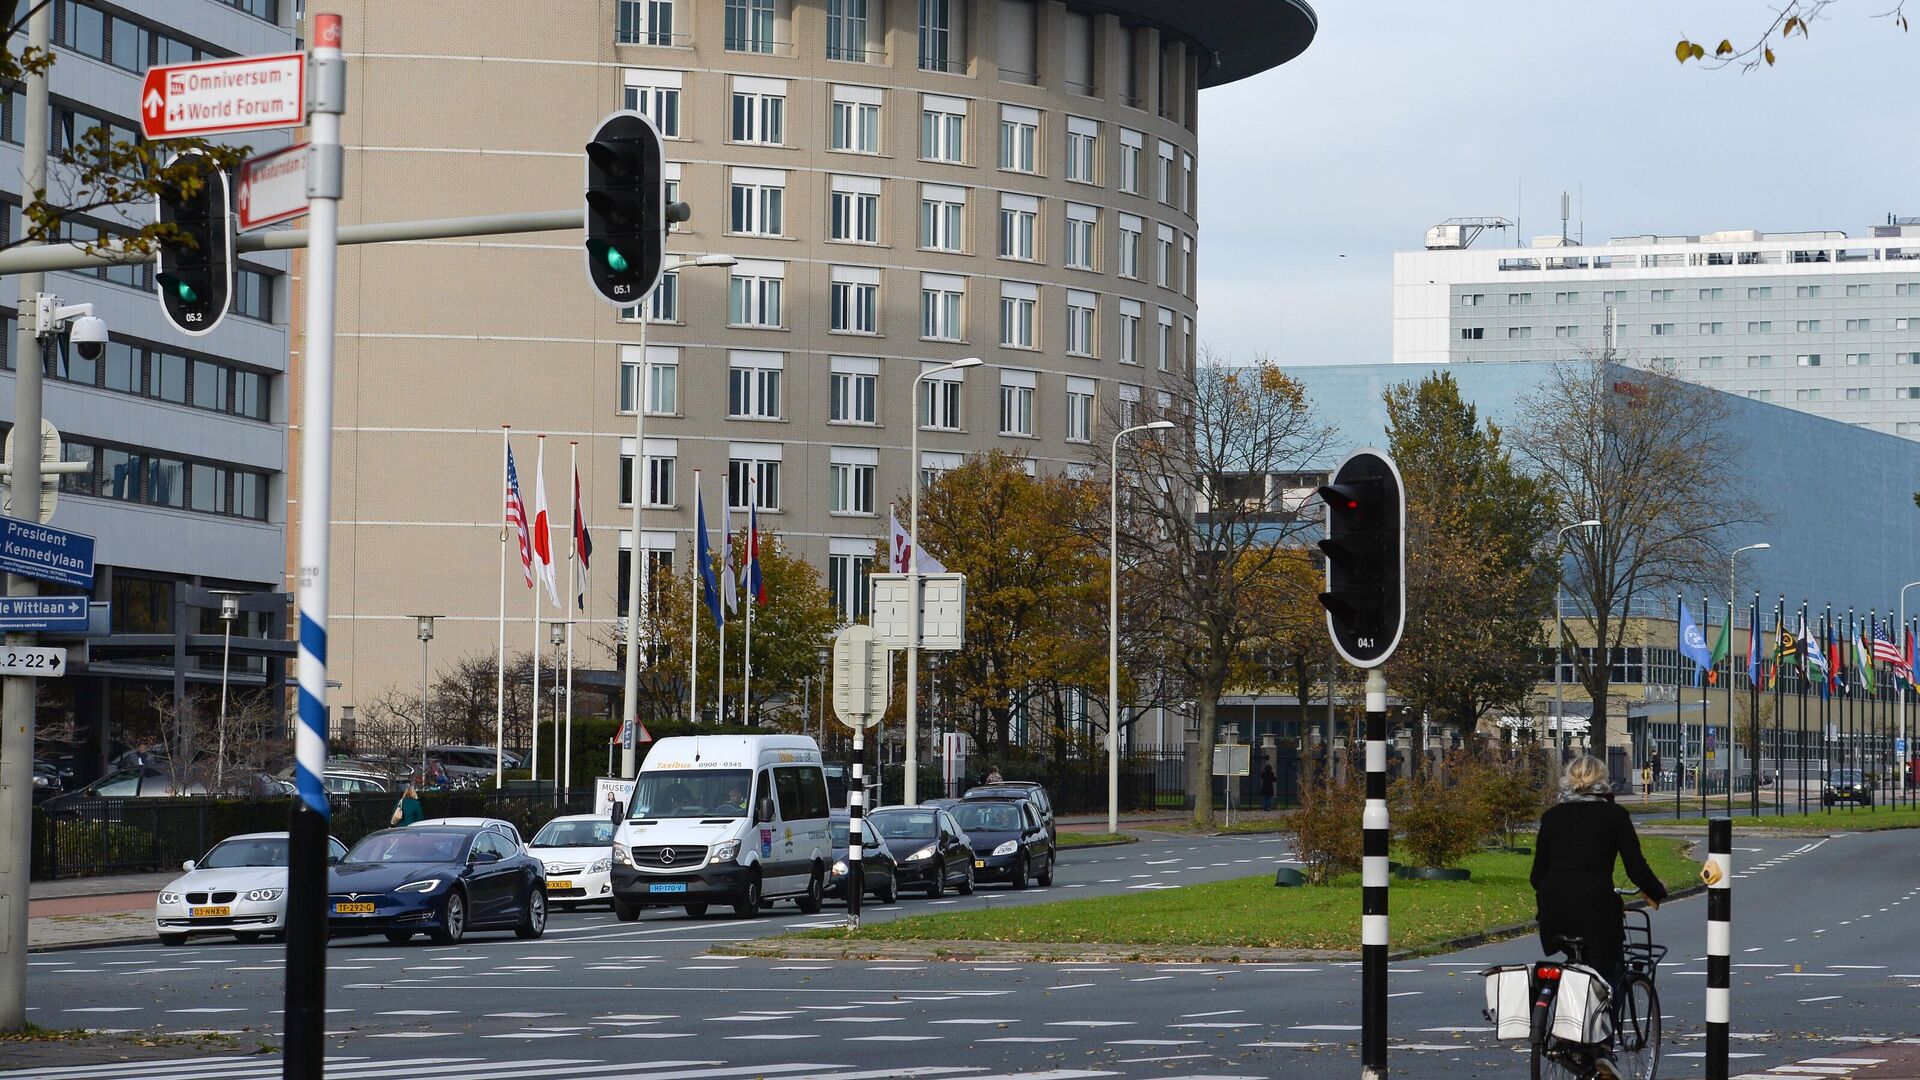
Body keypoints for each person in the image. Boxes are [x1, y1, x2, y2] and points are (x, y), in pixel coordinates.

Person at [1532, 755, 1668, 1074]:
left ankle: (1568, 1034)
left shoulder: (1552, 817)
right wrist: (1656, 891)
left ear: (1568, 779)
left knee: (1575, 964)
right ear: (1603, 781)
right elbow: (1636, 869)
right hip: (1596, 906)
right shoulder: (1614, 815)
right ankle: (1603, 1046)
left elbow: (1537, 876)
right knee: (1610, 968)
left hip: (1554, 909)